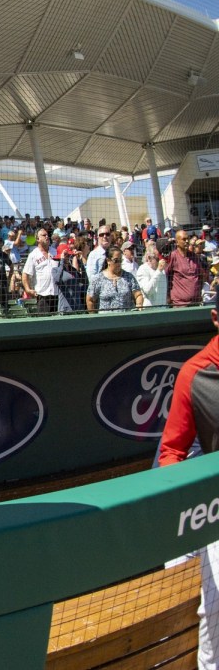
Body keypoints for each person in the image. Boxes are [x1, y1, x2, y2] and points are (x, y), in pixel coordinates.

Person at [158, 299, 219, 669]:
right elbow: (172, 451)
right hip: (213, 501)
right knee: (213, 604)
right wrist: (176, 514)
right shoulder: (196, 374)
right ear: (216, 318)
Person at [86, 246, 144, 312]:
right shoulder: (98, 279)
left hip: (127, 319)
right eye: (116, 260)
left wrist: (139, 304)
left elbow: (138, 295)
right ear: (108, 261)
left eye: (120, 260)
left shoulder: (129, 277)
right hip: (106, 320)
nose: (119, 263)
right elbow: (90, 300)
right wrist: (93, 317)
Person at [22, 228, 57, 314]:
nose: (47, 237)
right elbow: (25, 273)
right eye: (44, 235)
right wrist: (27, 289)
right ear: (37, 239)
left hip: (57, 294)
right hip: (42, 295)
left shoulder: (55, 251)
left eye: (47, 235)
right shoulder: (33, 255)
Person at [165, 229, 205, 307]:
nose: (187, 241)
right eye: (184, 239)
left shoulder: (194, 256)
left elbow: (201, 276)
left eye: (188, 239)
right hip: (179, 305)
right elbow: (165, 276)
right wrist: (168, 297)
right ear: (177, 242)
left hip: (196, 303)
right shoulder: (173, 256)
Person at [136, 242, 167, 309]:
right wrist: (158, 271)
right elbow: (148, 290)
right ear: (149, 258)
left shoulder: (162, 270)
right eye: (157, 259)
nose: (160, 261)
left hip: (162, 311)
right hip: (150, 312)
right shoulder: (143, 269)